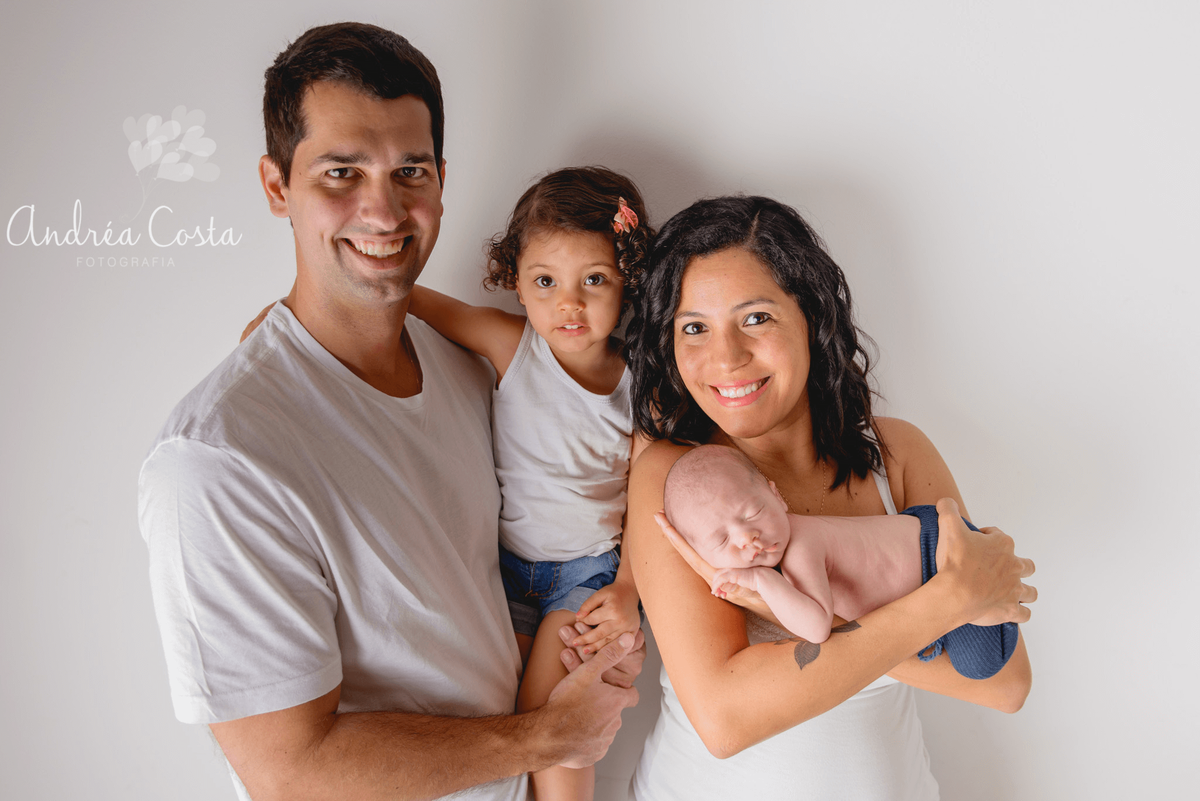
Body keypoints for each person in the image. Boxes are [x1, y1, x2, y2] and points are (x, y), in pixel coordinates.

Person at [137, 23, 643, 801]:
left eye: (409, 170)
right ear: (278, 187)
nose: (383, 209)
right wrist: (551, 734)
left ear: (440, 179)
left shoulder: (472, 374)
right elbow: (290, 773)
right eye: (342, 172)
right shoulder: (220, 457)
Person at [620, 195, 1036, 799]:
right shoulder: (677, 477)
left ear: (810, 314)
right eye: (694, 328)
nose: (727, 358)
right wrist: (944, 602)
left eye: (756, 318)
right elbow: (726, 718)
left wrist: (781, 606)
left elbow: (1004, 684)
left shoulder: (896, 457)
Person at [406, 166, 652, 800]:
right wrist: (297, 313)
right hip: (506, 570)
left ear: (630, 283)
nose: (568, 303)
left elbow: (654, 504)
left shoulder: (641, 386)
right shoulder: (512, 343)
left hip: (587, 574)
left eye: (594, 280)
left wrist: (628, 590)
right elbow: (413, 299)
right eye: (545, 281)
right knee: (496, 714)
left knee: (555, 716)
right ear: (516, 280)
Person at [662, 443, 1018, 680]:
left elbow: (817, 627)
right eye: (721, 540)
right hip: (920, 539)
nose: (746, 538)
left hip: (934, 552)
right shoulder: (783, 549)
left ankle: (986, 579)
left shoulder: (801, 546)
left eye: (753, 512)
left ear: (777, 496)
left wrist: (759, 583)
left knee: (981, 665)